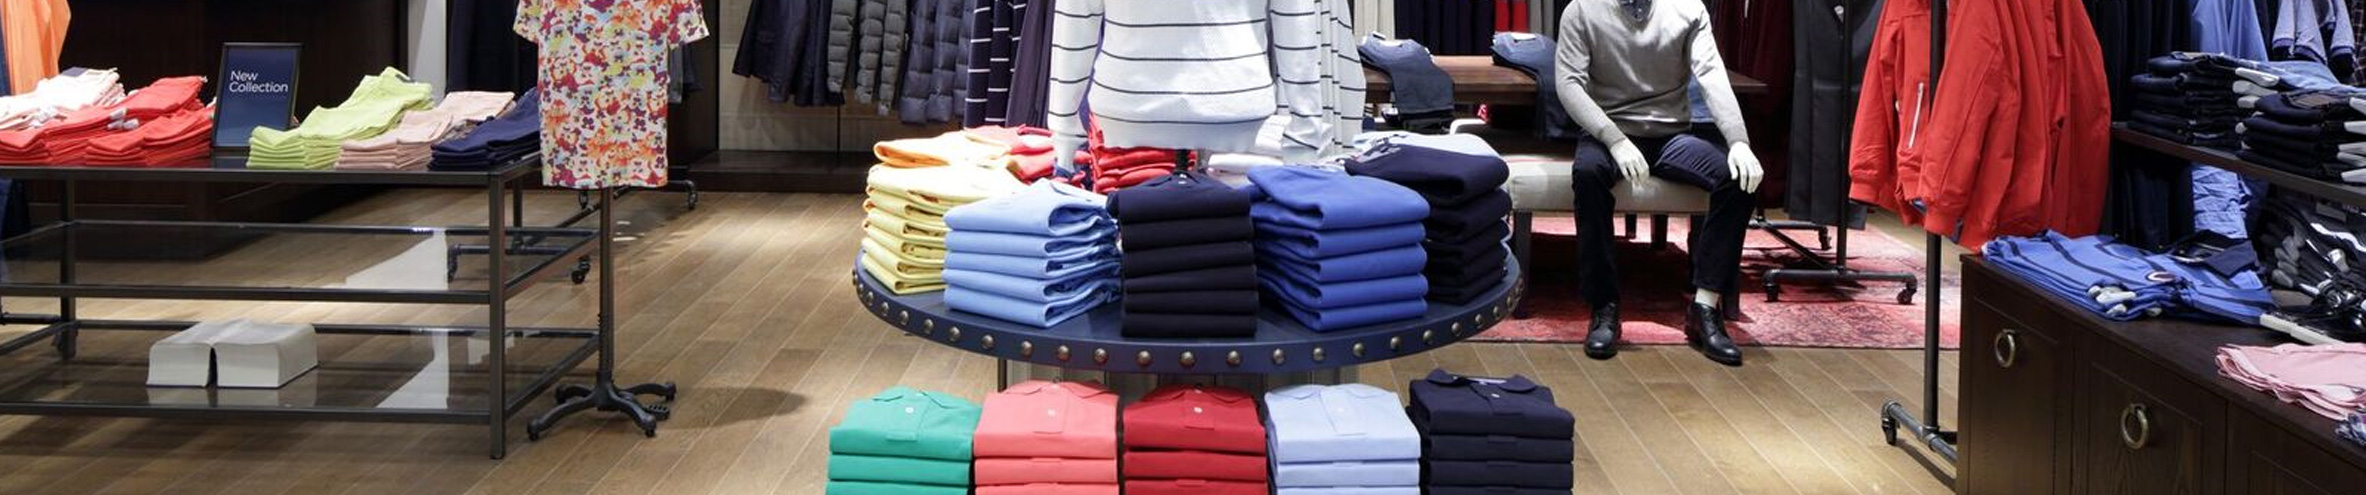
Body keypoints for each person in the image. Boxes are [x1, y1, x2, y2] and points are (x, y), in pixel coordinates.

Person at [1555, 0, 1763, 366]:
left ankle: (1704, 308)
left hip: (1670, 135)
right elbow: (1568, 84)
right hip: (1609, 132)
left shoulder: (1687, 9)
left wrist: (1739, 141)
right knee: (1587, 174)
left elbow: (1712, 73)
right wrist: (1614, 138)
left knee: (1738, 180)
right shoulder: (1582, 10)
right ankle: (1604, 305)